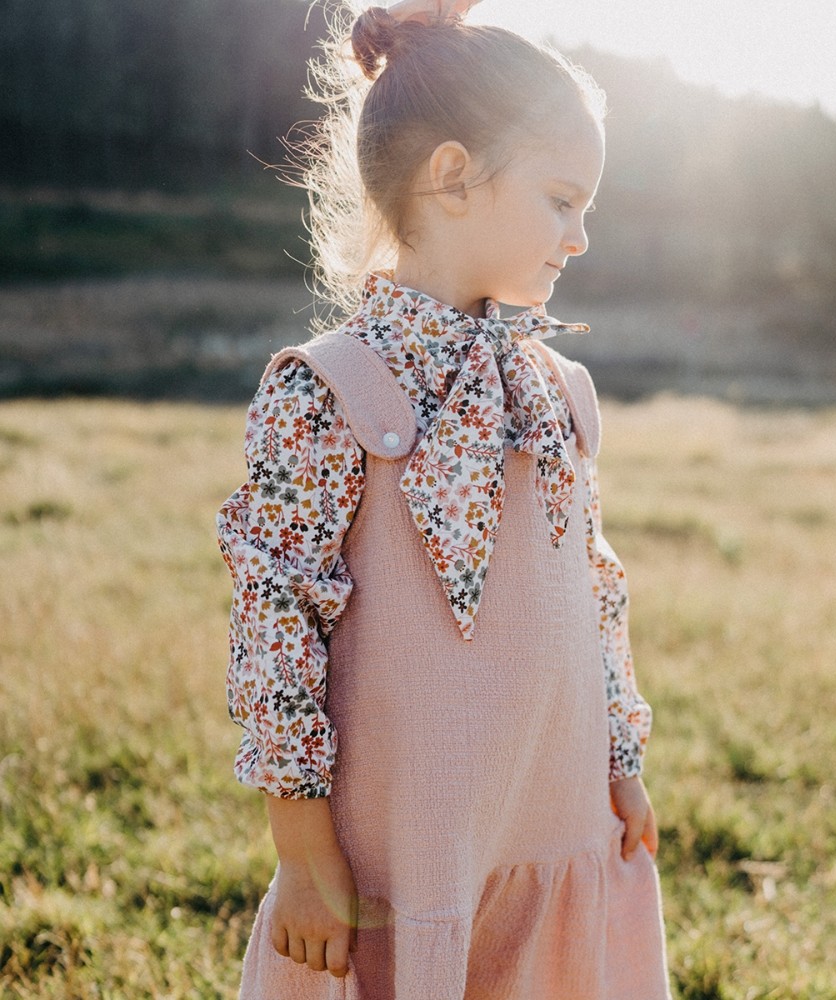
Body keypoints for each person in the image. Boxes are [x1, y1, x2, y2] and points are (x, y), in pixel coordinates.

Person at [216, 1, 672, 996]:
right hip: (409, 845)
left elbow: (592, 589)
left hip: (549, 820)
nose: (581, 236)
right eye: (562, 199)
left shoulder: (558, 391)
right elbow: (276, 621)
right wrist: (301, 849)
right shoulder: (328, 387)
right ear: (454, 176)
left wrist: (617, 759)